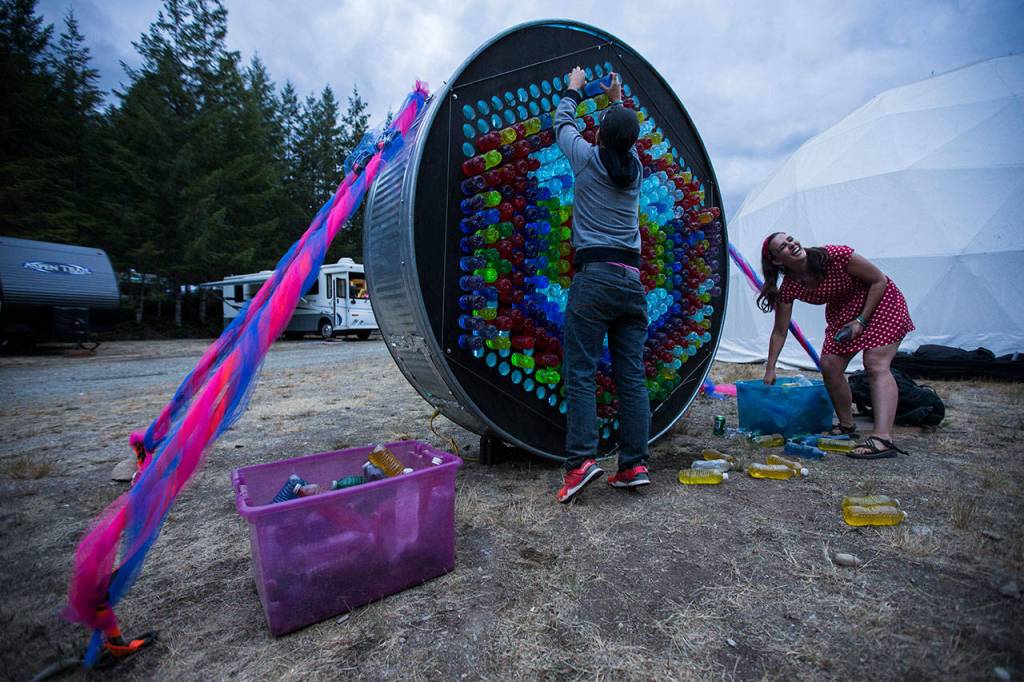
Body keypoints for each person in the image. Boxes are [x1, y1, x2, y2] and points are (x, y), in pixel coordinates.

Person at [554, 66, 650, 503]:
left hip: (595, 280)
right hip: (633, 282)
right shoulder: (638, 170)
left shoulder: (586, 158)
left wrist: (574, 89)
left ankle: (580, 464)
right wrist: (616, 99)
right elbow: (621, 138)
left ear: (600, 136)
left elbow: (563, 124)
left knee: (581, 370)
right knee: (631, 376)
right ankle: (632, 465)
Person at [758, 232, 915, 458]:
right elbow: (780, 331)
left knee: (875, 363)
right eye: (783, 246)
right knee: (830, 364)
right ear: (776, 260)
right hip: (844, 311)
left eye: (791, 239)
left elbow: (879, 280)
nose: (792, 245)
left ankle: (883, 438)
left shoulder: (835, 255)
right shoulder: (791, 286)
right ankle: (846, 425)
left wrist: (861, 321)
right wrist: (770, 367)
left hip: (881, 302)